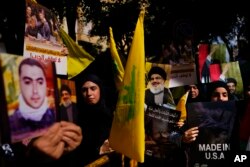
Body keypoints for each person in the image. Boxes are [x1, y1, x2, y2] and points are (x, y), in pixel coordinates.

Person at [141, 66, 198, 167]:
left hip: (167, 156)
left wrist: (180, 127)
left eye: (158, 78)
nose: (155, 81)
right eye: (152, 79)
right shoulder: (142, 99)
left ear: (163, 81)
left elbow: (172, 131)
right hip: (147, 154)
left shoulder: (170, 101)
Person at [75, 74, 121, 166]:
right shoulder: (76, 118)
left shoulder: (112, 114)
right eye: (84, 90)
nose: (89, 93)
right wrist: (99, 150)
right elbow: (77, 151)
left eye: (93, 88)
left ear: (100, 90)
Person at [8, 58, 55, 143]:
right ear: (20, 84)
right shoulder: (10, 125)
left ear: (45, 85)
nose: (35, 91)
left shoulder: (54, 116)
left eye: (40, 82)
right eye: (27, 82)